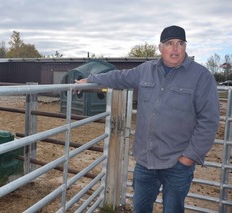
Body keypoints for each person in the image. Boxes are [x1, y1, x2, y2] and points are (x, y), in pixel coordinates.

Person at [75, 25, 220, 213]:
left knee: (173, 210)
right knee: (141, 208)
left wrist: (189, 157)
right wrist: (91, 79)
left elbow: (209, 121)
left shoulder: (201, 77)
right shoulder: (146, 70)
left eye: (180, 43)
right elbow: (119, 77)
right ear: (160, 48)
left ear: (185, 46)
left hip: (177, 161)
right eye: (169, 44)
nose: (175, 49)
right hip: (146, 160)